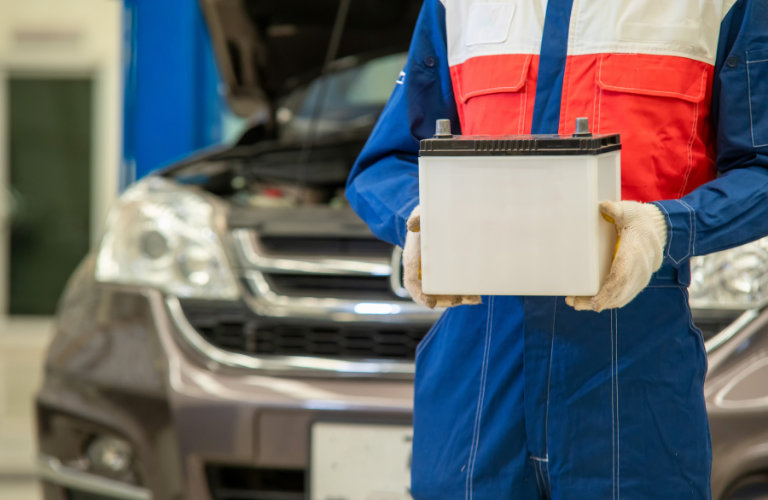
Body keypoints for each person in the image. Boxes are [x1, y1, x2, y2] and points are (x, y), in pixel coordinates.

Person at [346, 0, 768, 498]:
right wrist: (420, 218)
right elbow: (383, 164)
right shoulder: (457, 5)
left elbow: (759, 167)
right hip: (477, 364)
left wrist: (666, 228)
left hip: (631, 366)